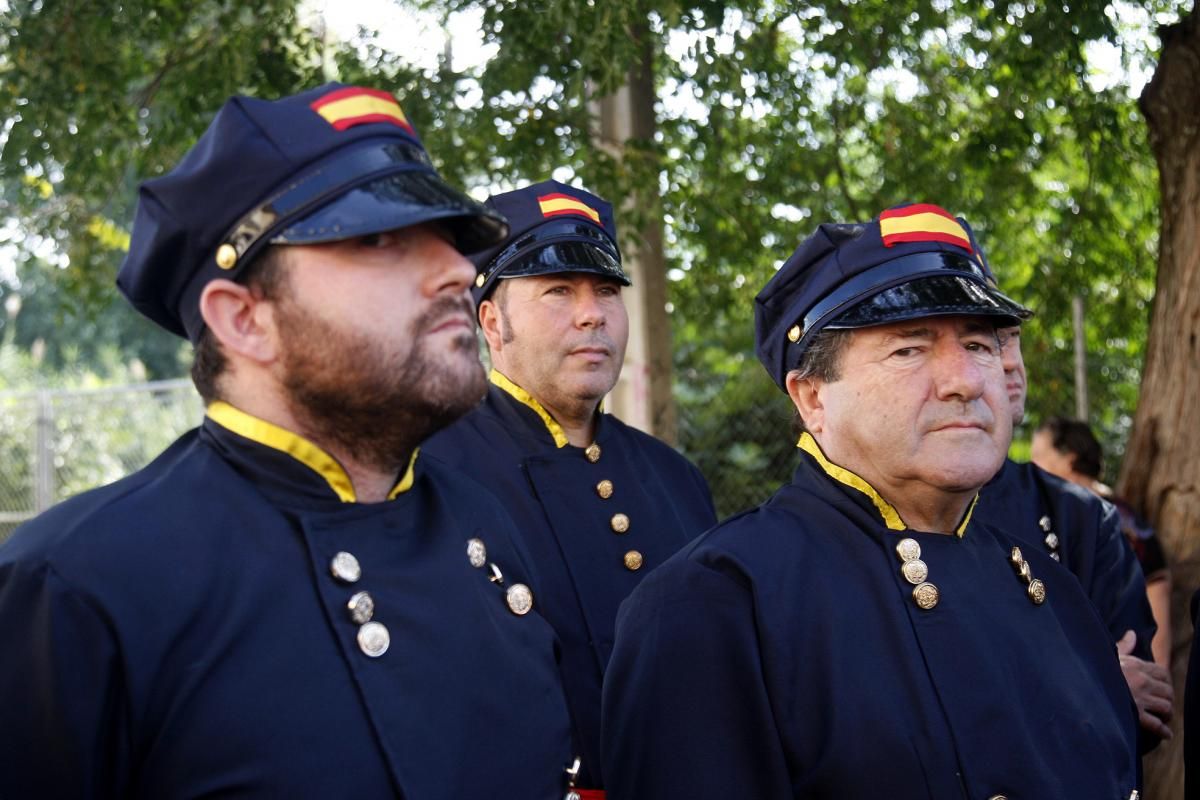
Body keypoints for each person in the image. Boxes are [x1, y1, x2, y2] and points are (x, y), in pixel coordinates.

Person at [0, 84, 573, 798]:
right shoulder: (76, 587)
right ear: (243, 319)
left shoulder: (481, 526)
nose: (460, 270)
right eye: (378, 239)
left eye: (451, 240)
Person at [602, 203, 1139, 798]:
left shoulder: (1053, 590)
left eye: (980, 345)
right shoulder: (717, 604)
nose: (963, 380)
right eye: (909, 349)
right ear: (812, 399)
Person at [423, 179, 716, 792]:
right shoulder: (426, 472)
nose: (592, 313)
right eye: (558, 290)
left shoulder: (675, 479)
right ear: (491, 321)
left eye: (606, 291)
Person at [977, 336, 1172, 742]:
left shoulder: (1096, 517)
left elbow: (1146, 673)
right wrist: (1096, 685)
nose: (1010, 361)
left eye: (1009, 339)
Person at [1030, 416, 1172, 671]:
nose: (1030, 469)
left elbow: (1156, 594)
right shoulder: (1052, 517)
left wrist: (1156, 674)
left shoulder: (1117, 521)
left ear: (1069, 461)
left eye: (1039, 458)